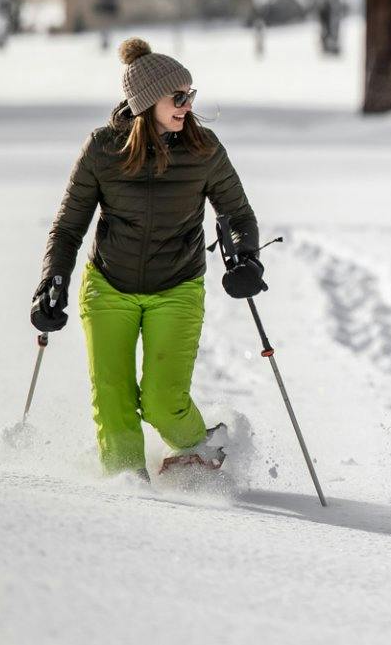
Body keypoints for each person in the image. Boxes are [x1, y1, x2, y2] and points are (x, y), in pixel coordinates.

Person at [32, 37, 265, 479]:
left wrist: (247, 259)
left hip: (177, 286)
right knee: (113, 399)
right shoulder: (102, 149)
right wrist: (52, 281)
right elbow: (68, 226)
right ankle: (127, 490)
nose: (187, 105)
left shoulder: (204, 149)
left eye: (190, 95)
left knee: (162, 401)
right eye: (178, 97)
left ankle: (206, 447)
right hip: (108, 285)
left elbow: (237, 213)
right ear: (145, 102)